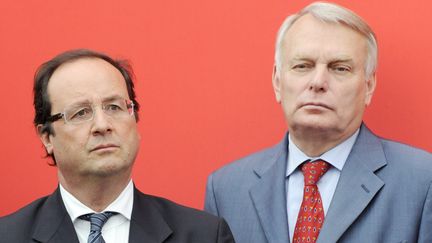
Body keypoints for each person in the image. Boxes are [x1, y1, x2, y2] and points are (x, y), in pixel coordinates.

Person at [204, 2, 432, 243]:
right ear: (277, 81)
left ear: (368, 86)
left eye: (340, 68)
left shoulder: (422, 181)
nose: (318, 81)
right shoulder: (226, 190)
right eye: (302, 66)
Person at [0, 49, 234, 243]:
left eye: (114, 107)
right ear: (46, 137)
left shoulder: (203, 235)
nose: (102, 125)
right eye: (81, 113)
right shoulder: (8, 236)